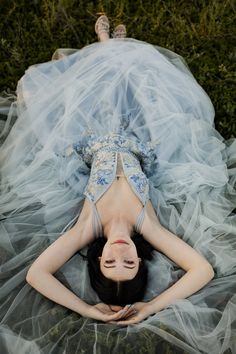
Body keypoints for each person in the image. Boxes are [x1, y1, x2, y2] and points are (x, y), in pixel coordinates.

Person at [0, 14, 235, 354]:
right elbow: (202, 270)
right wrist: (150, 308)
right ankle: (111, 46)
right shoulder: (148, 226)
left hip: (92, 136)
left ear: (98, 260)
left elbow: (36, 275)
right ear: (141, 260)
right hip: (138, 139)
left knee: (92, 92)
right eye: (130, 263)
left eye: (110, 262)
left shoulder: (88, 227)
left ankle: (106, 44)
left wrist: (87, 309)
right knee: (139, 85)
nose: (121, 253)